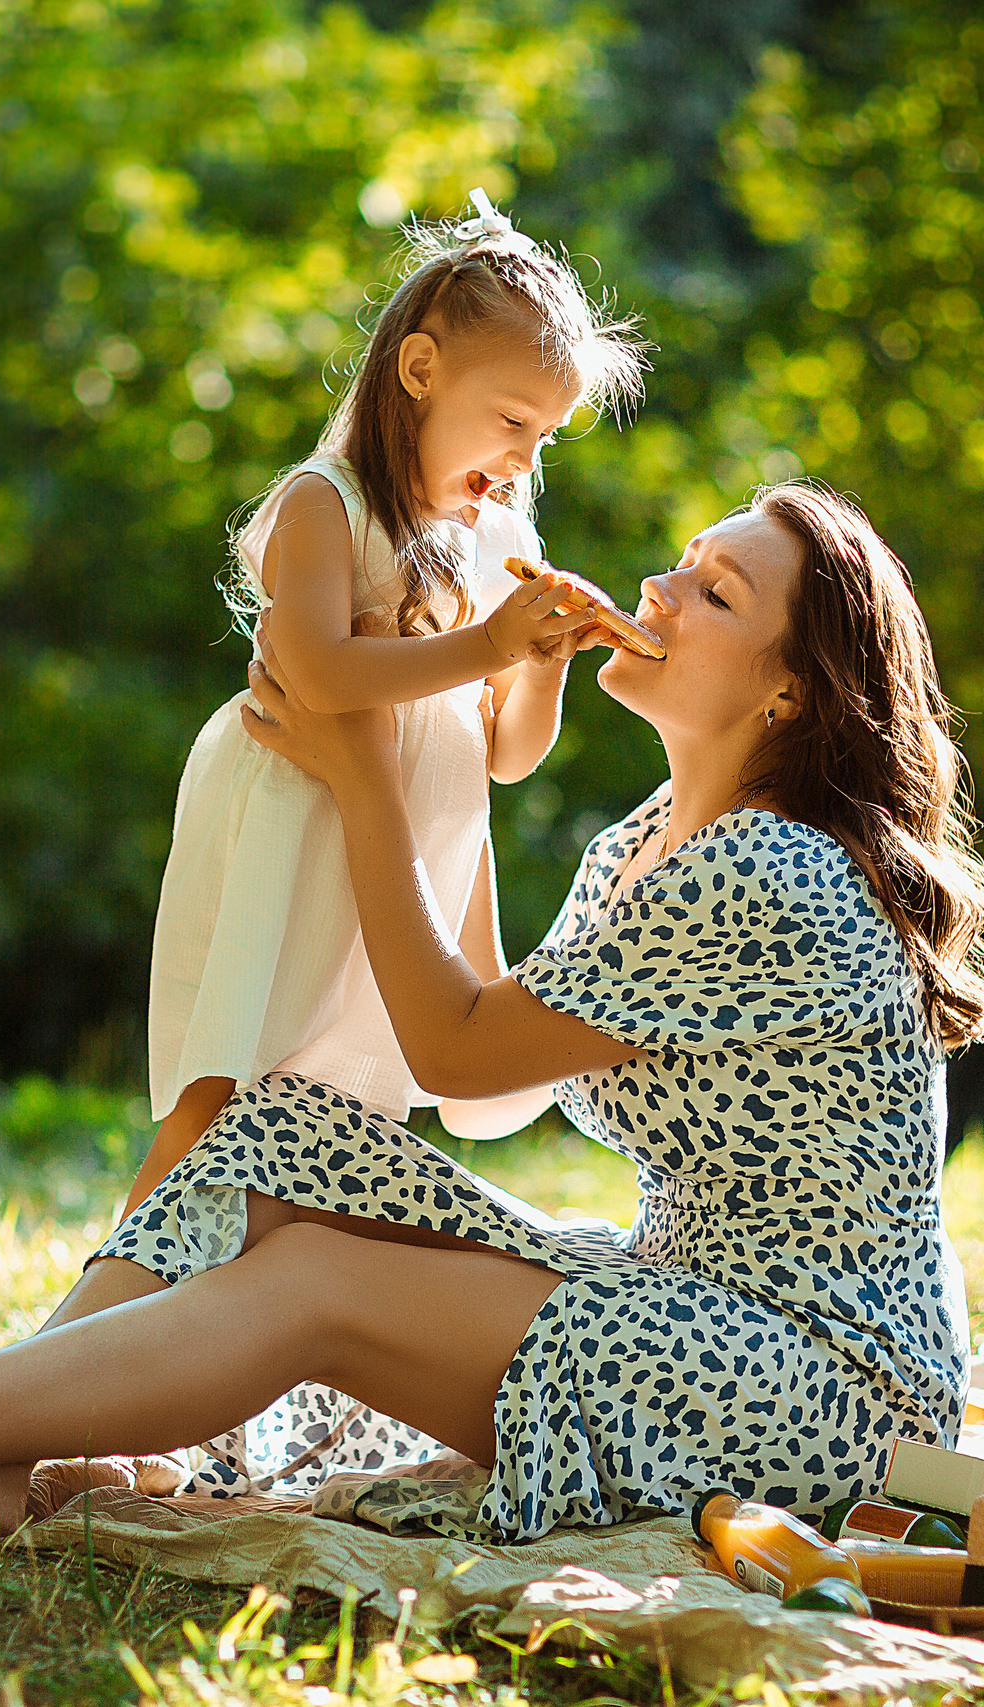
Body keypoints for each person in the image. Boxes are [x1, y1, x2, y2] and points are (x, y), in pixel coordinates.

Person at [0, 482, 984, 1539]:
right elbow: (484, 1032)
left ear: (791, 696)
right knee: (275, 1133)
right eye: (681, 566)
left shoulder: (774, 871)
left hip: (825, 1391)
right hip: (689, 1300)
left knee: (320, 1282)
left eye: (716, 595)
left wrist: (365, 764)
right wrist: (444, 722)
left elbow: (452, 1044)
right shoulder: (646, 838)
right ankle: (13, 1436)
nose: (663, 589)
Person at [132, 189, 647, 1221]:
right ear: (419, 371)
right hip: (299, 819)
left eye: (545, 438)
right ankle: (98, 1310)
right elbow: (317, 673)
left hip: (406, 852)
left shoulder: (496, 545)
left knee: (352, 1104)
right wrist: (488, 643)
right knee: (236, 1076)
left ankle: (243, 1317)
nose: (523, 460)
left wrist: (537, 660)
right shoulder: (327, 505)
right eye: (511, 422)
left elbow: (508, 754)